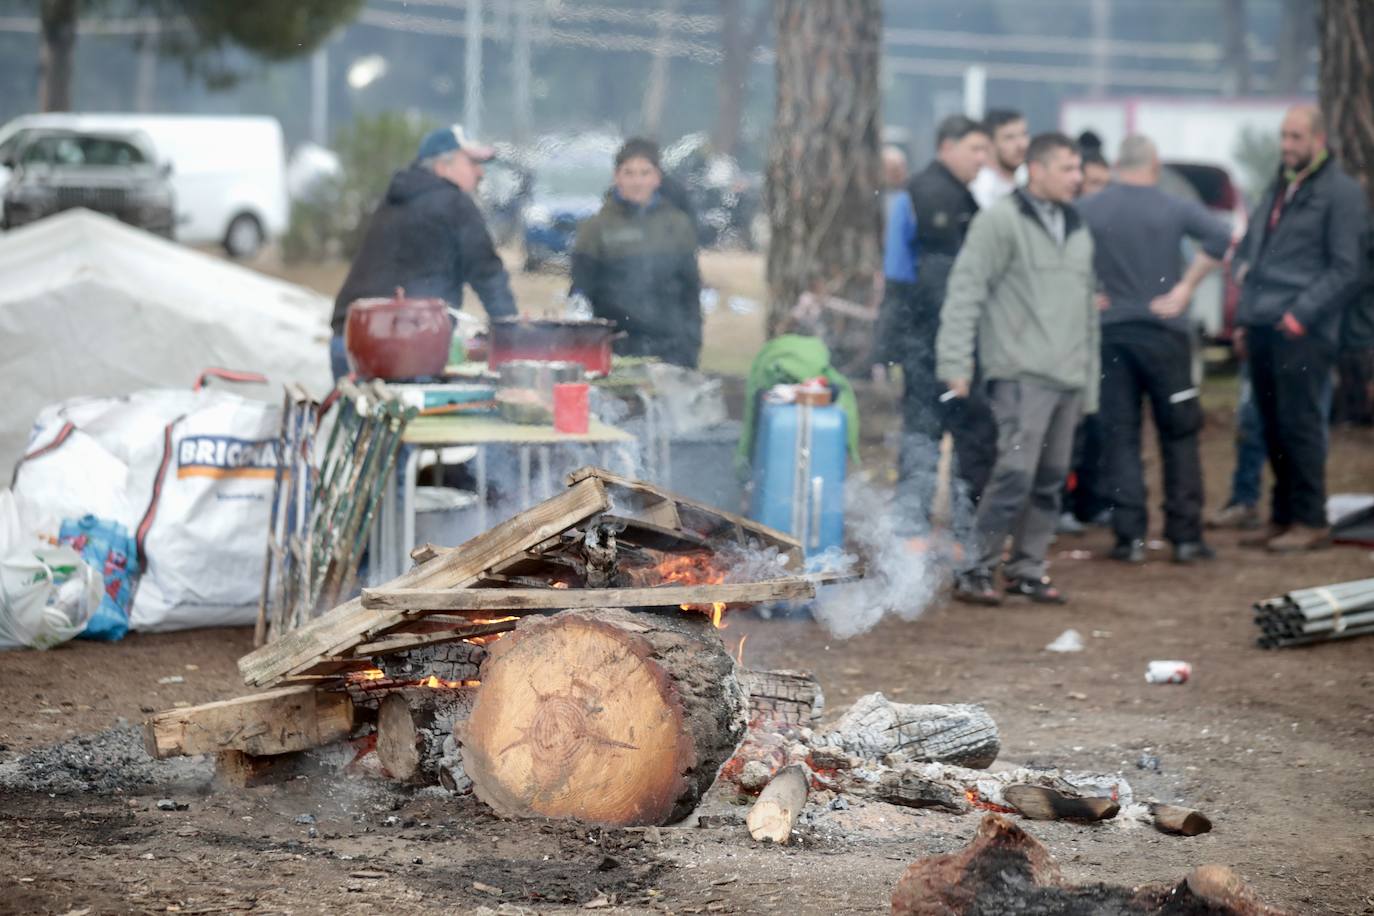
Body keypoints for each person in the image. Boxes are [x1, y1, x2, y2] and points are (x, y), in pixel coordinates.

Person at [937, 132, 1098, 604]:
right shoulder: (1001, 220)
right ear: (1038, 169)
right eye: (1067, 168)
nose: (1077, 177)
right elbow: (965, 291)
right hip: (1020, 373)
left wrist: (1089, 385)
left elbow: (1087, 311)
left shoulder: (1077, 226)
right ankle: (975, 569)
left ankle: (1027, 569)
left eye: (1078, 168)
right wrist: (955, 360)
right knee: (1015, 474)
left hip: (1068, 375)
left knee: (1050, 479)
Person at [1078, 135, 1232, 564]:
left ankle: (1129, 538)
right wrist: (1185, 288)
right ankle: (1185, 537)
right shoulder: (1173, 206)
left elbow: (1060, 245)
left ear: (1115, 165)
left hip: (1112, 335)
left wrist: (1085, 289)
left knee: (1120, 435)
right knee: (1179, 433)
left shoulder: (1090, 208)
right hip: (1166, 335)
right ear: (1155, 164)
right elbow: (1221, 238)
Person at [1231, 104, 1367, 552]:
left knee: (1300, 424)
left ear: (1318, 140)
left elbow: (1348, 268)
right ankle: (1283, 515)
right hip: (1264, 323)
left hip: (1303, 330)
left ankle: (1310, 520)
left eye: (1296, 138)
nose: (1287, 146)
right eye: (1284, 136)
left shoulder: (1341, 194)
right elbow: (1256, 251)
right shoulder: (1279, 186)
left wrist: (1301, 314)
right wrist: (1245, 317)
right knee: (1268, 425)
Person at [873, 116, 993, 544]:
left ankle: (937, 525)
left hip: (939, 337)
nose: (983, 158)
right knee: (929, 432)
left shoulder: (957, 194)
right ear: (948, 146)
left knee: (939, 433)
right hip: (931, 339)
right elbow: (906, 276)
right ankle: (921, 527)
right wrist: (895, 344)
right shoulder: (927, 194)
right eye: (976, 149)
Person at [333, 125, 516, 379]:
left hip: (349, 341)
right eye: (471, 163)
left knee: (362, 415)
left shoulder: (396, 197)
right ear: (444, 166)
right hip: (403, 349)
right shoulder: (454, 203)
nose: (480, 172)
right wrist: (513, 337)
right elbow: (487, 274)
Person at [571, 137, 702, 368]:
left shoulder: (678, 225)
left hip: (671, 349)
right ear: (616, 177)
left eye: (644, 173)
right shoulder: (596, 228)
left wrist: (691, 344)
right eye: (629, 173)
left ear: (657, 178)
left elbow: (690, 291)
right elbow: (581, 293)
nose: (637, 181)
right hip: (618, 348)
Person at [970, 109, 1029, 210]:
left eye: (1024, 134)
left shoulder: (1029, 177)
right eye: (1009, 138)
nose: (1021, 145)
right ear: (989, 143)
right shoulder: (980, 188)